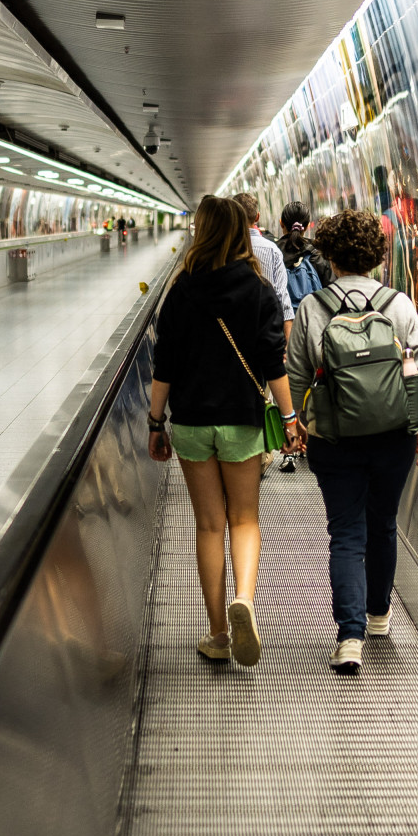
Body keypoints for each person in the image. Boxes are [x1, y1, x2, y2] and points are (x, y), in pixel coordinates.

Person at [147, 195, 302, 668]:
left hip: (192, 421)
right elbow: (274, 362)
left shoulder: (181, 289)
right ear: (242, 231)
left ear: (201, 230)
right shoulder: (258, 289)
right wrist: (290, 418)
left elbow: (164, 364)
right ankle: (245, 601)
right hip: (241, 419)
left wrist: (156, 423)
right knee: (245, 520)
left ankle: (216, 633)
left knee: (209, 525)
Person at [287, 208, 418, 675]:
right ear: (376, 254)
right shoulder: (400, 304)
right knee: (384, 523)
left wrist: (301, 423)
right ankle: (378, 617)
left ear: (328, 254)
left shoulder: (312, 308)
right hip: (393, 435)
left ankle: (348, 638)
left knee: (346, 533)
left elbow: (295, 373)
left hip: (334, 438)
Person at [273, 203, 332, 471]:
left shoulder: (273, 251)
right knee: (314, 383)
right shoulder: (318, 255)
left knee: (288, 385)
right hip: (315, 330)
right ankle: (314, 441)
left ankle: (289, 447)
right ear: (308, 225)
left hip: (283, 328)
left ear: (282, 224)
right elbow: (333, 291)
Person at [232, 192, 293, 335]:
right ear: (257, 217)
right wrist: (287, 345)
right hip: (268, 330)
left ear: (232, 217)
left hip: (235, 332)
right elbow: (282, 297)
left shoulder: (225, 250)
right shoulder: (272, 250)